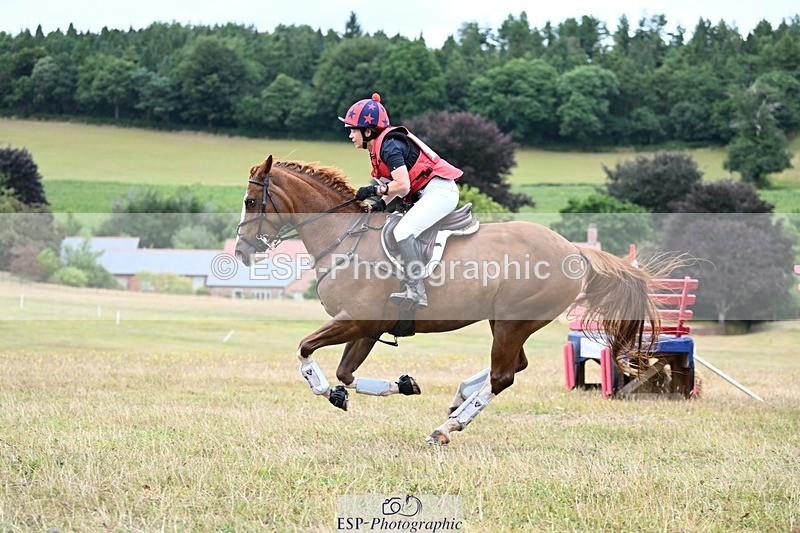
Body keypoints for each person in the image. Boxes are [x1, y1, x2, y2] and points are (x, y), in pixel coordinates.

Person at [339, 93, 463, 309]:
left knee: (403, 231)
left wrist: (372, 190)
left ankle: (416, 290)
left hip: (440, 192)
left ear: (367, 132)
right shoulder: (378, 147)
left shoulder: (389, 147)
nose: (350, 135)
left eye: (353, 130)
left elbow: (403, 185)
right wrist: (380, 203)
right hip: (428, 193)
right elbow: (396, 187)